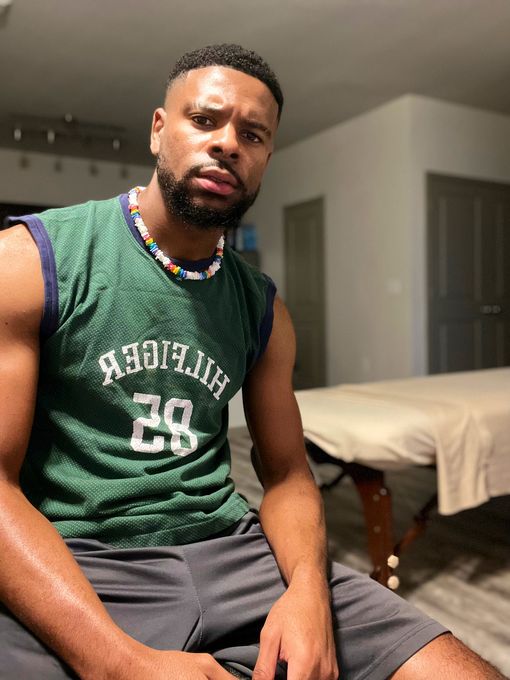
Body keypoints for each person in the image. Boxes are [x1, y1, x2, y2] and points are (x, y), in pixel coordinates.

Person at [0, 43, 506, 680]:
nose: (227, 144)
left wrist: (309, 594)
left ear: (266, 157)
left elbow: (289, 473)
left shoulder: (263, 308)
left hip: (236, 554)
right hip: (81, 562)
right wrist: (117, 662)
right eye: (204, 120)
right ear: (158, 130)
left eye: (253, 133)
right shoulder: (30, 262)